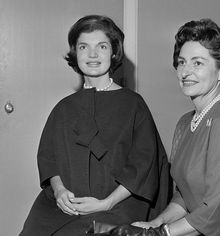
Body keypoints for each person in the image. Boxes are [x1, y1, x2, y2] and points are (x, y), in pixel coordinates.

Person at [19, 15, 171, 236]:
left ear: (114, 52)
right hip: (63, 206)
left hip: (118, 204)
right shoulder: (64, 108)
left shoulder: (133, 105)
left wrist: (107, 203)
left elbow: (143, 165)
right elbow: (49, 158)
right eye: (83, 47)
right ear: (75, 53)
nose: (92, 55)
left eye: (101, 46)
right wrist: (60, 191)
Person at [126, 18, 220, 236]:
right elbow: (184, 196)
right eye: (182, 62)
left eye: (197, 63)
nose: (185, 71)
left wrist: (161, 233)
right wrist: (155, 223)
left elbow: (214, 209)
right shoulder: (185, 122)